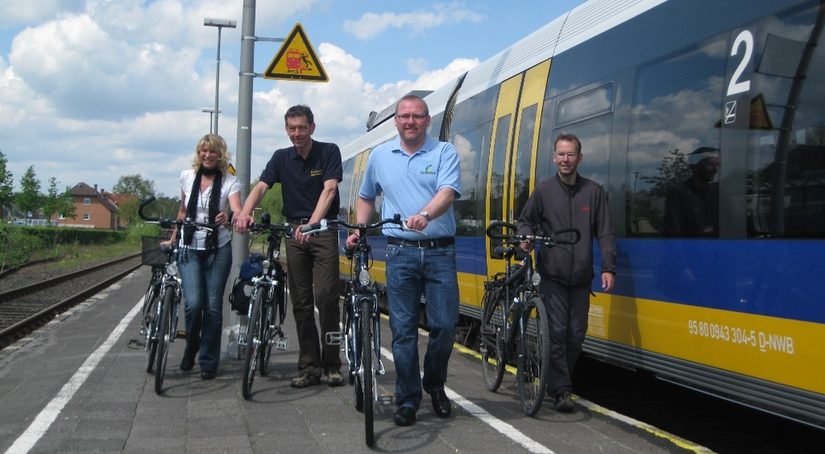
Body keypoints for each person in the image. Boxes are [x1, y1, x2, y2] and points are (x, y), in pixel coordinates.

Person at [345, 94, 461, 427]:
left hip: (440, 250)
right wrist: (361, 229)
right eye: (404, 116)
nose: (410, 121)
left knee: (444, 326)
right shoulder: (380, 156)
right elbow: (367, 196)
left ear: (428, 120)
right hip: (400, 251)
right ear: (396, 121)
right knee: (403, 331)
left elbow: (447, 192)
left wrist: (425, 214)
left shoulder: (444, 152)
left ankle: (434, 384)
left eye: (417, 116)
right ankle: (408, 398)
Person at [234, 105, 344, 388]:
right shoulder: (281, 158)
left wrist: (312, 224)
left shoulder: (329, 151)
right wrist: (246, 211)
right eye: (292, 128)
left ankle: (332, 364)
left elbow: (329, 189)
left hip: (323, 230)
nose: (297, 133)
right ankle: (310, 367)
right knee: (302, 303)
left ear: (312, 128)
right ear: (286, 129)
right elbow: (261, 187)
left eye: (302, 127)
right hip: (294, 232)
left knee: (326, 297)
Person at [517, 133, 616, 412]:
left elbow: (606, 233)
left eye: (571, 154)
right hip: (553, 275)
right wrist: (525, 236)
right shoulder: (544, 191)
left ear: (579, 158)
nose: (565, 159)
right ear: (554, 157)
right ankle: (562, 391)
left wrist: (608, 267)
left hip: (582, 278)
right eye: (561, 154)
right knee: (558, 332)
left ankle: (555, 381)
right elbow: (526, 221)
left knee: (576, 334)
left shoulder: (593, 192)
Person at [166, 134, 241, 380]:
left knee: (212, 307)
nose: (207, 155)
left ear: (221, 155)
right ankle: (191, 346)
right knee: (193, 303)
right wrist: (174, 237)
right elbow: (183, 211)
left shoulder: (231, 181)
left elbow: (236, 209)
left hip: (218, 247)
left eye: (212, 152)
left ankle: (209, 360)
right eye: (203, 151)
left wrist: (227, 217)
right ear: (199, 154)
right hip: (190, 247)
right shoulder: (187, 177)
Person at [664, 147, 720, 237]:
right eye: (710, 165)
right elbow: (673, 231)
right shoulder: (679, 192)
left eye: (717, 165)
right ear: (695, 166)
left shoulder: (717, 192)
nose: (715, 169)